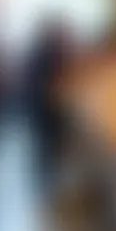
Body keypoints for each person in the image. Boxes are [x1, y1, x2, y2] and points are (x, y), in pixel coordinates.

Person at [23, 16, 72, 190]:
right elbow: (47, 84)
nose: (61, 37)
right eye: (59, 33)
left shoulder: (42, 52)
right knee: (47, 146)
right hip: (44, 109)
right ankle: (46, 181)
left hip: (41, 109)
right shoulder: (46, 54)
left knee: (46, 146)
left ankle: (46, 178)